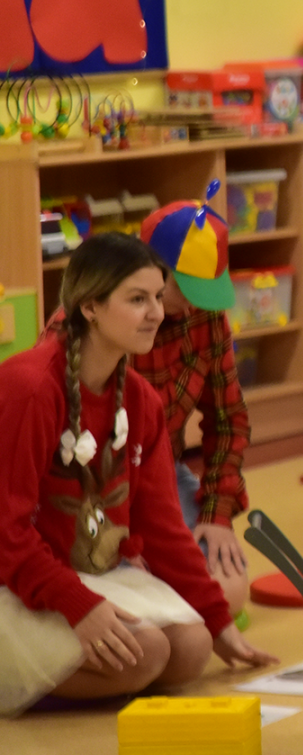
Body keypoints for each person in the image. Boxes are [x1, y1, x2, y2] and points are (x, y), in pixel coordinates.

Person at [0, 233, 275, 717]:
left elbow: (162, 524)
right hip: (14, 579)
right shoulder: (31, 388)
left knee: (192, 647)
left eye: (157, 297)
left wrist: (219, 623)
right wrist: (78, 605)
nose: (156, 313)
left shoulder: (140, 399)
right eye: (137, 300)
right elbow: (6, 529)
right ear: (90, 306)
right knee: (144, 655)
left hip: (85, 570)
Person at [41, 186, 255, 617]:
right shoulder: (83, 325)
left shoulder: (206, 317)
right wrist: (120, 537)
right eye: (183, 287)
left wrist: (215, 514)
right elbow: (63, 452)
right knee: (128, 607)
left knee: (227, 593)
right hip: (87, 483)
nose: (194, 302)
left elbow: (229, 419)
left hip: (157, 475)